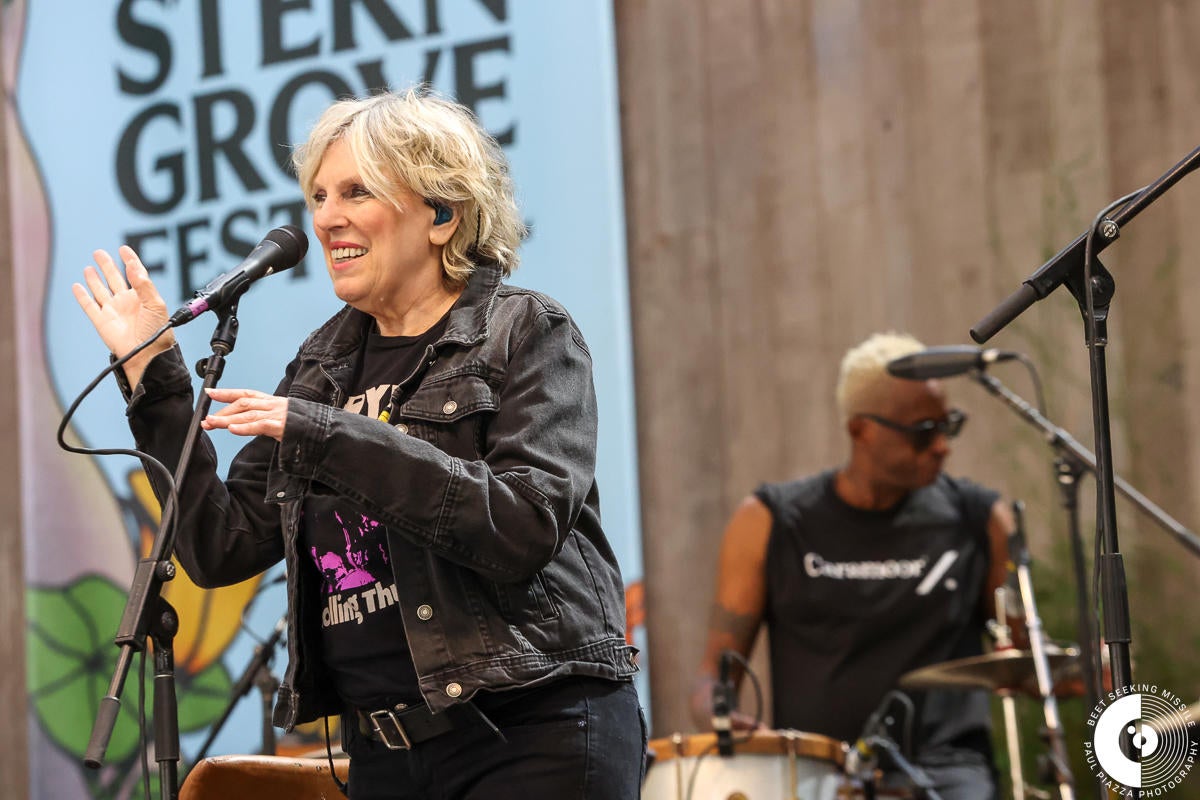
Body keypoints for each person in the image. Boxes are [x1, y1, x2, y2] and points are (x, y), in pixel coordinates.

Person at [73, 87, 646, 800]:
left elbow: (520, 525)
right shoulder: (321, 369)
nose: (325, 219)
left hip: (532, 729)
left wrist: (331, 436)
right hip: (385, 753)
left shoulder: (526, 333)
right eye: (317, 196)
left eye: (355, 191)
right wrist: (154, 380)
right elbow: (218, 547)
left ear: (442, 214)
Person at [690, 332, 1014, 800]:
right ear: (861, 429)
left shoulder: (980, 519)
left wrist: (1077, 665)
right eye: (925, 431)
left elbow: (1028, 657)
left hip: (949, 776)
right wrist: (720, 715)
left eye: (950, 425)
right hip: (822, 777)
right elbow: (711, 677)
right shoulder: (770, 521)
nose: (942, 446)